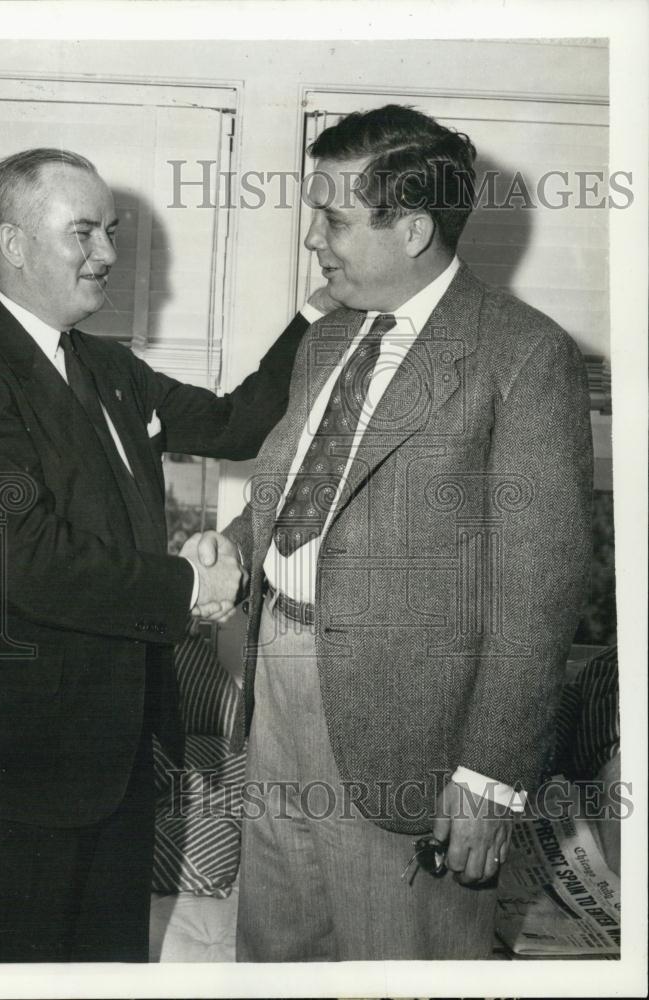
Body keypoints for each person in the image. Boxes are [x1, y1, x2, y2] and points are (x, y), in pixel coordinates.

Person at [193, 104, 593, 960]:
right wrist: (233, 541)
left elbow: (539, 590)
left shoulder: (522, 355)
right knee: (275, 947)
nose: (314, 241)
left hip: (413, 727)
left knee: (398, 959)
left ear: (411, 229)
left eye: (332, 219)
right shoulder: (325, 337)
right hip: (278, 685)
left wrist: (490, 776)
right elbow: (298, 486)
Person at [0, 147, 314, 963]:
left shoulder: (106, 367)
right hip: (9, 761)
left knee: (105, 969)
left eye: (112, 232)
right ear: (15, 244)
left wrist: (318, 309)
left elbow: (236, 425)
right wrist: (186, 583)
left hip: (117, 753)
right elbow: (21, 561)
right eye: (84, 233)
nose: (107, 255)